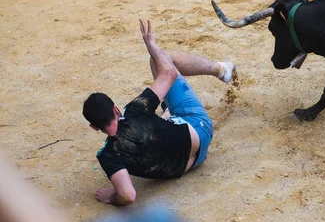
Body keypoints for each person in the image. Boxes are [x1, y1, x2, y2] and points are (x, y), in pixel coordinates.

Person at [83, 19, 236, 206]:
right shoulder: (134, 110)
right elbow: (169, 73)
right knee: (160, 61)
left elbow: (128, 195)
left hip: (192, 163)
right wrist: (153, 47)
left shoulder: (106, 155)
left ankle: (168, 112)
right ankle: (221, 70)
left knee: (162, 119)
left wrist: (113, 197)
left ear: (93, 127)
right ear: (116, 109)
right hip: (200, 130)